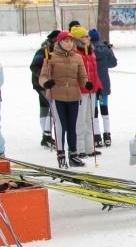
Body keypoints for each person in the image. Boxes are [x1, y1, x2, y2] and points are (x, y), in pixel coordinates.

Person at [39, 31, 88, 168]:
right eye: (65, 40)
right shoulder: (51, 57)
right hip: (57, 95)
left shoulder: (78, 57)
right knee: (61, 126)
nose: (69, 43)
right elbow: (43, 76)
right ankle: (61, 154)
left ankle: (73, 154)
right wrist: (46, 83)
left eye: (70, 40)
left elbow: (82, 76)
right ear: (59, 42)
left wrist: (86, 83)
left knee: (72, 126)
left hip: (73, 95)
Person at [69, 26, 101, 158]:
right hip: (81, 90)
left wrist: (98, 85)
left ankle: (90, 147)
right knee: (80, 119)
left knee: (90, 118)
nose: (88, 38)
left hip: (91, 90)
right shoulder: (75, 53)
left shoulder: (90, 51)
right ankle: (80, 147)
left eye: (87, 36)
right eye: (84, 36)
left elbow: (95, 71)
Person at [30, 30, 60, 148]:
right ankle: (46, 135)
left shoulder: (56, 51)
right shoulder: (43, 50)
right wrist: (44, 77)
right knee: (51, 107)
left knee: (45, 107)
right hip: (42, 84)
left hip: (50, 84)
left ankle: (45, 134)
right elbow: (34, 66)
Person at [89, 28, 118, 147]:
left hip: (93, 84)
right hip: (104, 83)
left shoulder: (89, 49)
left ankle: (97, 136)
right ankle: (107, 134)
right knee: (104, 109)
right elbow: (113, 63)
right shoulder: (105, 48)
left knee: (94, 111)